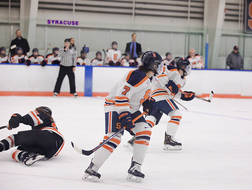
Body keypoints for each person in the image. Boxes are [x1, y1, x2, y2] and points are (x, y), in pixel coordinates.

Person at [82, 51, 162, 183]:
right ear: (152, 65)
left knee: (144, 130)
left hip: (131, 108)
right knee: (115, 137)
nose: (159, 67)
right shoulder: (138, 75)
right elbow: (121, 96)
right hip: (115, 105)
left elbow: (141, 96)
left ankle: (135, 167)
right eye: (158, 64)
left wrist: (147, 102)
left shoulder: (151, 79)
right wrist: (125, 115)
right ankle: (92, 168)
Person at [125, 57, 194, 151]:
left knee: (151, 120)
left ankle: (137, 138)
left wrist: (183, 95)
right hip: (161, 95)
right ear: (182, 66)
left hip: (155, 98)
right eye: (186, 67)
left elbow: (173, 91)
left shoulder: (183, 80)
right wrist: (167, 82)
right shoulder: (172, 70)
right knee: (176, 114)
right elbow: (160, 72)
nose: (187, 69)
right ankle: (169, 139)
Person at [0, 106, 65, 166]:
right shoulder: (49, 124)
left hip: (48, 135)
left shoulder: (43, 115)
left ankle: (1, 146)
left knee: (16, 138)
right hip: (51, 150)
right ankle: (26, 156)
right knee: (15, 152)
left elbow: (33, 117)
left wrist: (19, 119)